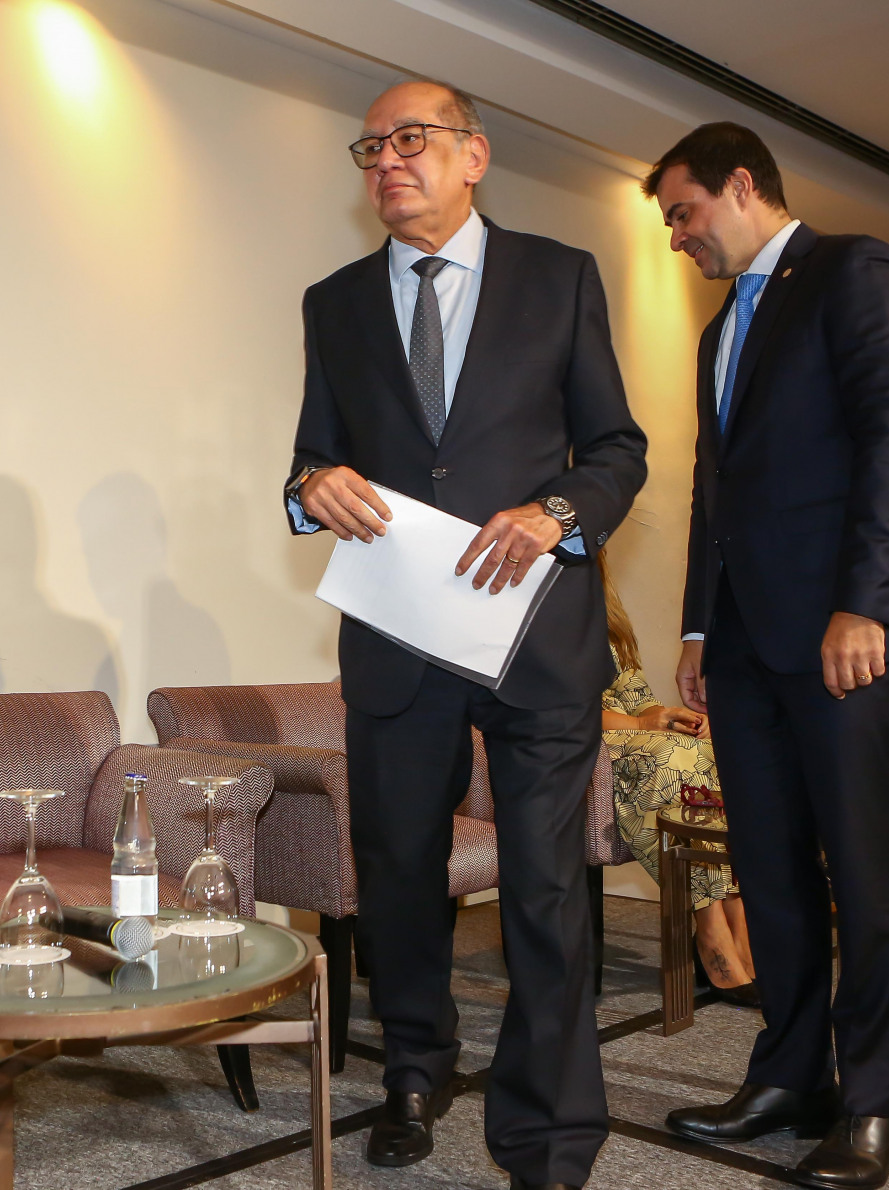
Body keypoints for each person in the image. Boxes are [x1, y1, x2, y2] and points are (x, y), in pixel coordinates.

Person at [288, 79, 647, 1190]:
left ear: (475, 154)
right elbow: (311, 456)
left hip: (536, 631)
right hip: (398, 636)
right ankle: (413, 1070)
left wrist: (556, 513)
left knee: (543, 884)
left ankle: (549, 1130)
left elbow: (618, 449)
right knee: (399, 870)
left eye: (412, 139)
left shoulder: (560, 277)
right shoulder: (335, 302)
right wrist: (312, 488)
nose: (387, 161)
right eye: (371, 148)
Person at [645, 124, 889, 1189]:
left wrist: (864, 602)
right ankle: (789, 1076)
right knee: (768, 869)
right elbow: (709, 488)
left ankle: (874, 1105)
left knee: (865, 870)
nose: (677, 237)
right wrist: (696, 626)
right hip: (744, 645)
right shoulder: (720, 327)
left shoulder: (852, 269)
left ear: (741, 184)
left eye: (683, 213)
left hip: (843, 638)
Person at [595, 551, 756, 1005]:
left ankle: (737, 917)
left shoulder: (606, 623)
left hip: (631, 737)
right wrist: (643, 725)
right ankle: (710, 931)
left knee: (710, 748)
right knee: (671, 759)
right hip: (577, 745)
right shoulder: (532, 618)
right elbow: (559, 711)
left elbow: (639, 700)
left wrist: (670, 717)